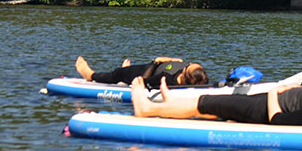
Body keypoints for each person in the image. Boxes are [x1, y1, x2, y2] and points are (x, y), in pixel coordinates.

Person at [130, 76, 302, 127]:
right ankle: (169, 106)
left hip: (262, 109)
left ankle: (147, 108)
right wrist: (294, 88)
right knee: (214, 113)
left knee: (207, 103)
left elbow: (277, 120)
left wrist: (275, 91)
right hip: (271, 99)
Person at [75, 56, 208, 89]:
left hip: (148, 71)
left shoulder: (165, 79)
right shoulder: (200, 78)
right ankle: (125, 70)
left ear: (185, 73)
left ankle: (90, 75)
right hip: (163, 66)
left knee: (117, 74)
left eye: (189, 66)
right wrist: (172, 60)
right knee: (125, 71)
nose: (189, 64)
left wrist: (156, 61)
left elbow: (141, 81)